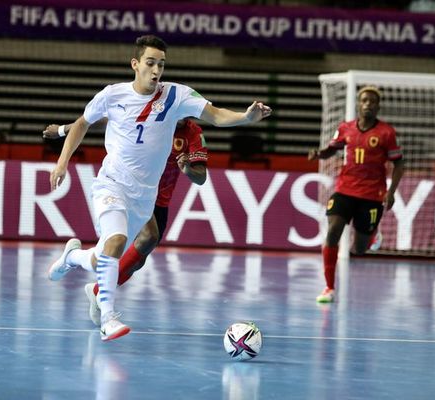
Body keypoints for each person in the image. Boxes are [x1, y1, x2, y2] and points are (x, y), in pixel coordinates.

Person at [44, 34, 271, 342]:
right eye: (150, 63)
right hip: (111, 183)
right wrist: (61, 162)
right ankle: (107, 316)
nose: (156, 70)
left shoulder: (177, 96)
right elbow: (82, 123)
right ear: (135, 64)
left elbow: (215, 115)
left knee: (102, 258)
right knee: (116, 240)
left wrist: (245, 117)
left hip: (144, 197)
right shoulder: (112, 95)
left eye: (161, 64)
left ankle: (71, 258)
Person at [44, 118, 208, 326]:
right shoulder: (153, 115)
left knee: (130, 261)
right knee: (149, 237)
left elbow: (201, 176)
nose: (183, 116)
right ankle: (106, 310)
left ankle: (83, 271)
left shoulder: (193, 133)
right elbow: (103, 119)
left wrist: (188, 171)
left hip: (160, 201)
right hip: (132, 188)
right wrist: (62, 130)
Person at [308, 85, 404, 303]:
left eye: (372, 101)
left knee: (359, 249)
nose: (368, 104)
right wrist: (319, 154)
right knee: (332, 231)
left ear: (378, 106)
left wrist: (391, 191)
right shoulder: (345, 128)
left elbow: (399, 164)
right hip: (345, 189)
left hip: (372, 194)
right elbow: (333, 148)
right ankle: (329, 288)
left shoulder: (386, 133)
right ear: (359, 104)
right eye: (364, 101)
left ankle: (371, 236)